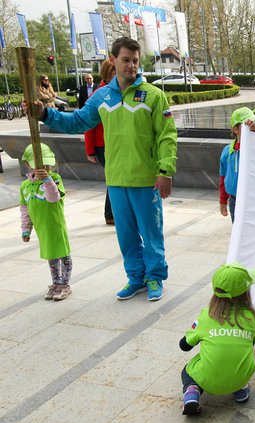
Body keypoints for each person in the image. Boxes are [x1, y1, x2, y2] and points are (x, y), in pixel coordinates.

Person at [25, 37, 178, 302]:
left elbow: (167, 136)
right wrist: (45, 115)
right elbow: (78, 121)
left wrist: (165, 171)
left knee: (151, 235)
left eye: (135, 61)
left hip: (146, 180)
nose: (131, 66)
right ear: (112, 60)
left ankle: (154, 277)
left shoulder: (153, 95)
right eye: (126, 60)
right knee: (126, 236)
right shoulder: (103, 96)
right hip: (116, 179)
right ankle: (136, 278)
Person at [179, 263, 255, 415]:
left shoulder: (206, 316)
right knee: (239, 359)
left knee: (188, 370)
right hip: (242, 375)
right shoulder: (253, 318)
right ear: (246, 293)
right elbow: (252, 343)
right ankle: (240, 389)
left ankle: (192, 392)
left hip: (209, 379)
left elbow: (184, 345)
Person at [19, 143, 72, 301]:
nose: (44, 167)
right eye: (38, 165)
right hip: (42, 229)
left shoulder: (55, 179)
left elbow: (53, 197)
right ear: (28, 165)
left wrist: (47, 180)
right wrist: (25, 229)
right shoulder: (25, 186)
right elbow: (25, 210)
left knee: (63, 255)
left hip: (56, 226)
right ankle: (56, 282)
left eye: (47, 164)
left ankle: (65, 284)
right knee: (51, 257)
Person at [219, 107, 255, 222]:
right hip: (235, 201)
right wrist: (223, 200)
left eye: (254, 124)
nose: (252, 127)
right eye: (248, 125)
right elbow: (223, 177)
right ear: (236, 129)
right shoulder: (227, 151)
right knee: (238, 233)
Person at [84, 60, 116, 225]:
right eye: (114, 73)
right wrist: (90, 151)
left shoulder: (116, 91)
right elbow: (88, 125)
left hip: (112, 143)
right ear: (108, 74)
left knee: (114, 177)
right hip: (102, 145)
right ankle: (110, 214)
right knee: (115, 177)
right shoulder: (99, 94)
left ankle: (111, 214)